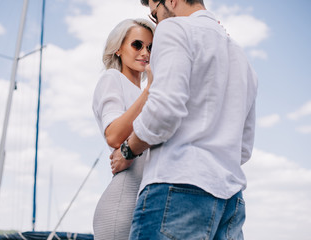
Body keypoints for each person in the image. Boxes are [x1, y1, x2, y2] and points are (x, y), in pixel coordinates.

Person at [110, 0, 258, 239]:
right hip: (231, 201)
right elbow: (243, 148)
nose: (158, 24)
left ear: (171, 1)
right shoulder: (241, 57)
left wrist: (127, 151)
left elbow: (163, 112)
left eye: (155, 14)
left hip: (176, 188)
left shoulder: (175, 29)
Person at [92, 18, 155, 240]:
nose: (145, 52)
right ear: (118, 48)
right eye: (137, 45)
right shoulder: (112, 79)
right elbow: (114, 135)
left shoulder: (147, 93)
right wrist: (149, 91)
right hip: (123, 200)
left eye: (150, 47)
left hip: (149, 201)